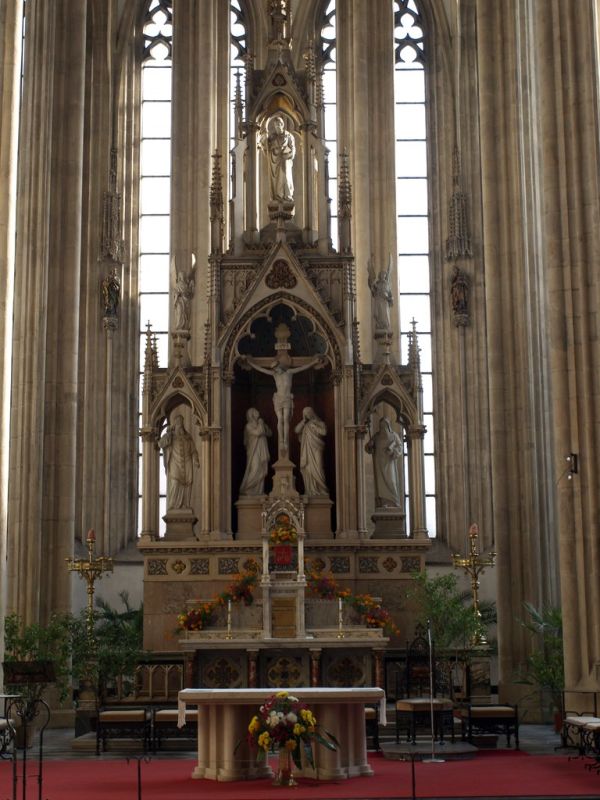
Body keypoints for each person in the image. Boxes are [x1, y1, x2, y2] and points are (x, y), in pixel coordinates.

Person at [240, 353, 324, 457]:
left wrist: (314, 362)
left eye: (276, 368)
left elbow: (302, 368)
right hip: (279, 398)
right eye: (274, 369)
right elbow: (261, 370)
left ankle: (285, 440)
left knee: (285, 419)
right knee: (280, 419)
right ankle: (281, 442)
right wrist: (250, 363)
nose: (275, 370)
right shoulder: (275, 375)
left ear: (280, 366)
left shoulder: (289, 372)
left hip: (287, 398)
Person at [158, 414, 200, 510]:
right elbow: (160, 444)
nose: (180, 425)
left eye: (181, 423)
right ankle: (172, 505)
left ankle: (186, 505)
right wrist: (167, 435)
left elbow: (193, 450)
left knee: (188, 484)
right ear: (175, 425)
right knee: (175, 482)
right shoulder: (171, 436)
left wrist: (196, 460)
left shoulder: (188, 437)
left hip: (187, 462)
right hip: (175, 462)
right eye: (178, 423)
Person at [365, 417, 403, 507]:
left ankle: (394, 502)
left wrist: (393, 451)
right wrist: (370, 445)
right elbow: (368, 448)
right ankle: (383, 502)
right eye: (381, 425)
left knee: (391, 482)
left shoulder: (394, 436)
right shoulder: (376, 436)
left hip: (389, 464)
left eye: (384, 425)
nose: (383, 428)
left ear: (388, 426)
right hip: (379, 464)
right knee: (381, 484)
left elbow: (400, 447)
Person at [295, 407, 329, 497]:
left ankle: (321, 490)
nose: (307, 415)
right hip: (307, 451)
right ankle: (310, 491)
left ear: (312, 413)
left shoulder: (320, 423)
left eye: (308, 413)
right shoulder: (305, 425)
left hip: (317, 449)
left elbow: (324, 432)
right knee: (308, 469)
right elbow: (296, 430)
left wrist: (315, 425)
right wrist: (303, 421)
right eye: (305, 414)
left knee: (318, 468)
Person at [239, 408, 272, 496]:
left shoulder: (261, 423)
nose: (258, 412)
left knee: (262, 469)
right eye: (255, 411)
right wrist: (261, 424)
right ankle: (247, 488)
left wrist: (264, 425)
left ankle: (259, 491)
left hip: (261, 450)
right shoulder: (249, 426)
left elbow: (269, 433)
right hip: (254, 452)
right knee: (255, 468)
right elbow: (258, 433)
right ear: (251, 414)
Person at [267, 115, 296, 202]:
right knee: (276, 179)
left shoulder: (289, 135)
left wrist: (290, 154)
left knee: (286, 177)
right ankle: (277, 196)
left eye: (278, 125)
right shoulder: (272, 137)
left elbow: (293, 148)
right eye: (275, 125)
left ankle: (287, 195)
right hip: (275, 161)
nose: (277, 127)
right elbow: (267, 148)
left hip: (285, 160)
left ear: (282, 125)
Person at [368, 258, 393, 331]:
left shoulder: (387, 284)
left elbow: (390, 294)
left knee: (385, 316)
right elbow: (373, 291)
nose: (383, 276)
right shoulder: (377, 284)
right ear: (380, 276)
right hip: (378, 301)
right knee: (378, 314)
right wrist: (372, 285)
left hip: (385, 302)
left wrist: (390, 299)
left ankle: (385, 326)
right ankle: (379, 325)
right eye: (382, 274)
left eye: (384, 275)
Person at [173, 261, 195, 331]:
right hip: (180, 301)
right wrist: (176, 297)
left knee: (186, 315)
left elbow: (190, 294)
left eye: (183, 275)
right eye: (181, 275)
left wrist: (192, 286)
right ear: (179, 277)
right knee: (180, 314)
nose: (182, 277)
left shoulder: (186, 285)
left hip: (186, 302)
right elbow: (176, 294)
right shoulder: (177, 285)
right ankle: (179, 326)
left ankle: (185, 326)